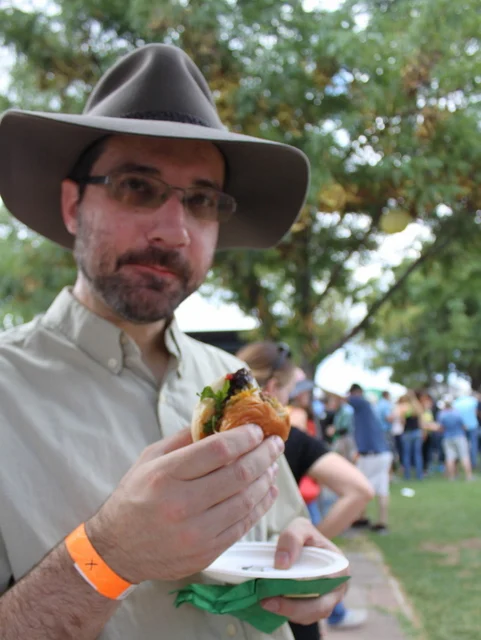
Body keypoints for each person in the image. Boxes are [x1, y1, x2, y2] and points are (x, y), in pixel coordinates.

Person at [0, 44, 348, 640]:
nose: (174, 230)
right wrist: (106, 556)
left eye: (203, 200)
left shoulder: (235, 382)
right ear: (72, 205)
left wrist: (308, 567)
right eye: (138, 186)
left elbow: (286, 542)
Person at [236, 342, 373, 638]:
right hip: (283, 585)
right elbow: (359, 489)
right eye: (291, 389)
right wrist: (313, 540)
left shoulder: (207, 434)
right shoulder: (288, 437)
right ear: (273, 387)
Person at [348, 384, 392, 534]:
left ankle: (363, 517)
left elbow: (345, 399)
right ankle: (380, 521)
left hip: (371, 454)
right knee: (382, 487)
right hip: (381, 453)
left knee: (361, 486)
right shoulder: (367, 408)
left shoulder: (362, 403)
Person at [437, 399, 473, 481]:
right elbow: (464, 426)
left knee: (450, 458)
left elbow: (441, 428)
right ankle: (469, 476)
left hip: (447, 438)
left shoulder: (442, 415)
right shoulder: (457, 414)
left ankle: (452, 477)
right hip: (459, 437)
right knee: (464, 456)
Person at [397, 390, 425, 481]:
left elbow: (402, 422)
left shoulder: (404, 407)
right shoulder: (418, 407)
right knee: (418, 454)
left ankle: (407, 476)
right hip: (417, 432)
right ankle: (419, 475)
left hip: (407, 432)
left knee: (407, 455)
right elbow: (421, 422)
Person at [453, 391, 479, 470]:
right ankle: (473, 463)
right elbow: (476, 412)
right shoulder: (473, 401)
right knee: (473, 445)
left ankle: (463, 463)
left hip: (462, 426)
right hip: (473, 425)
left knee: (463, 446)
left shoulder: (456, 402)